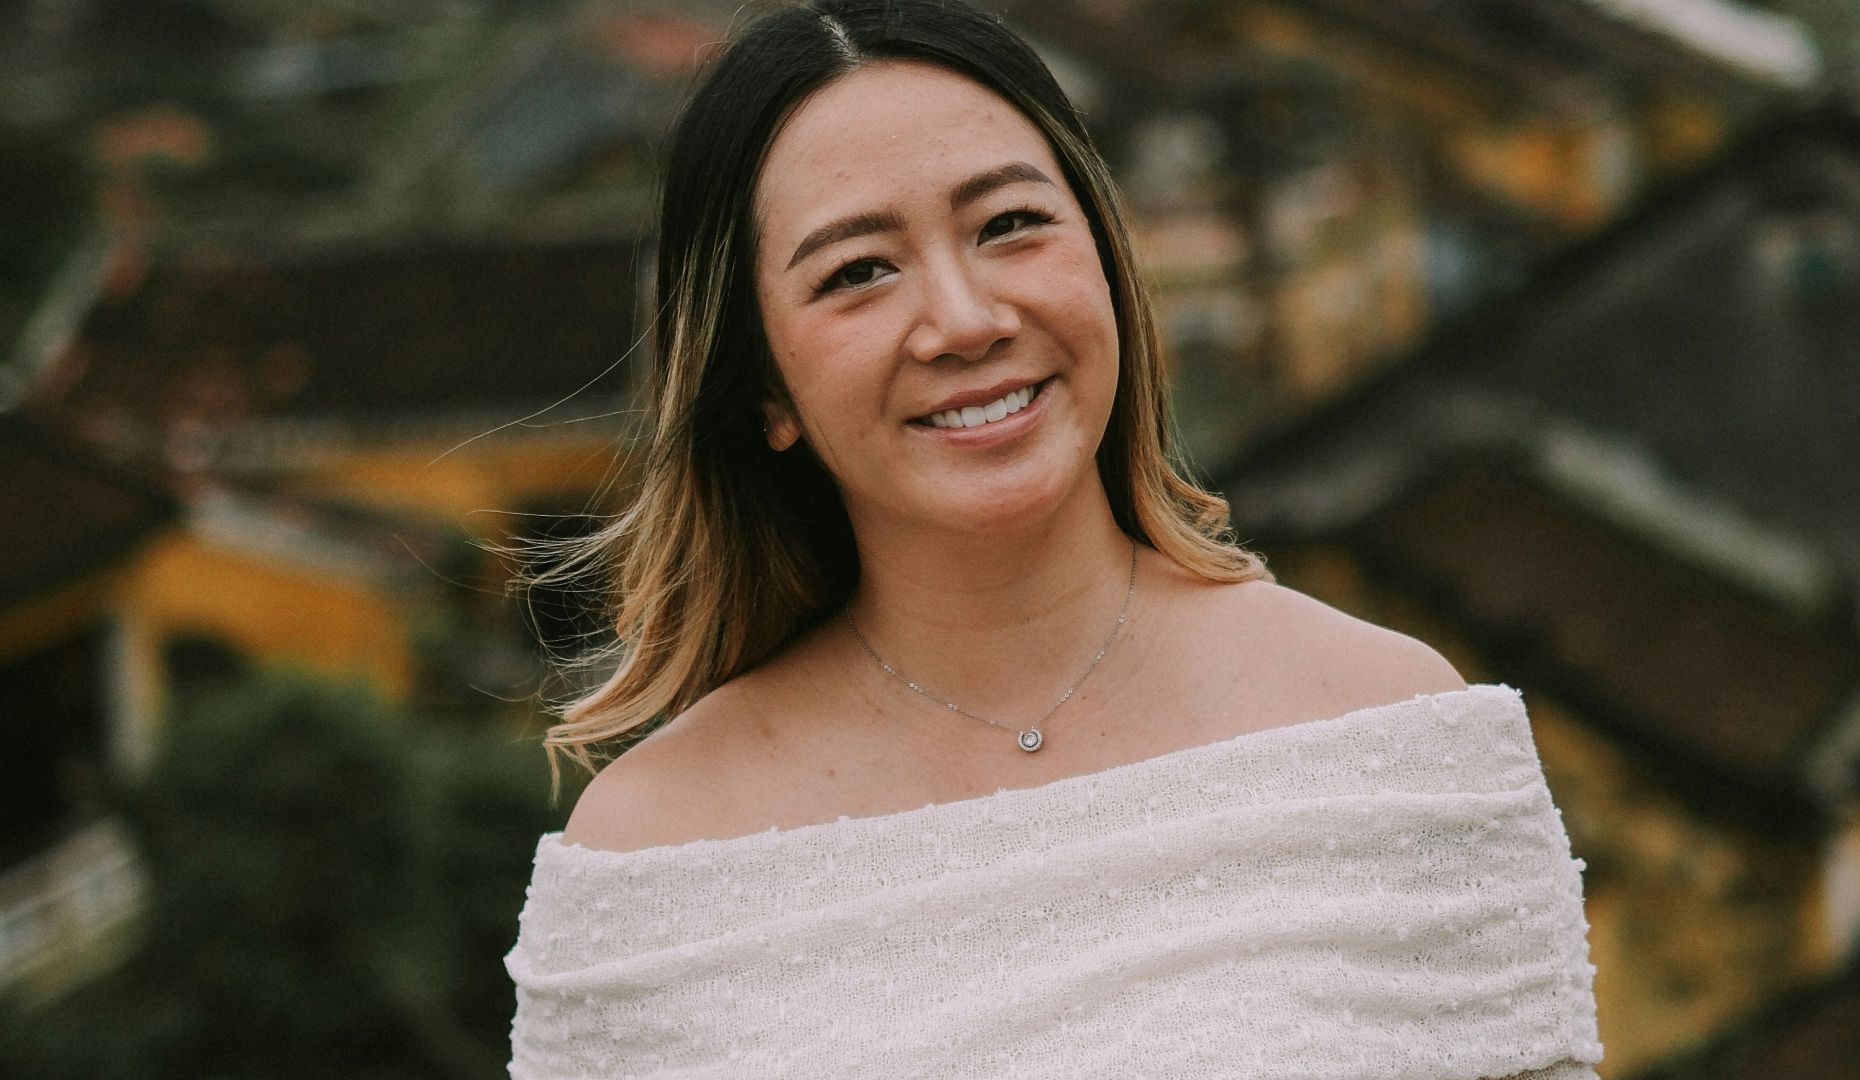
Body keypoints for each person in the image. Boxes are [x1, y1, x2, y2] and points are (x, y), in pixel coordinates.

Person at [504, 1, 1603, 1076]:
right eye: (857, 272)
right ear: (764, 391)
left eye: (1009, 225)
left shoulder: (1389, 739)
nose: (967, 319)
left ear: (1110, 269)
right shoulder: (649, 867)